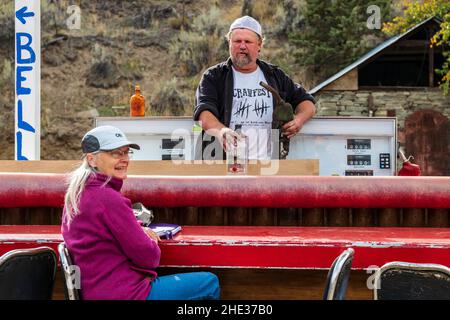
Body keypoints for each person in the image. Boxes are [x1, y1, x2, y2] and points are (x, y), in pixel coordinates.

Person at [61, 125, 220, 300]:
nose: (125, 159)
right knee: (209, 283)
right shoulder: (109, 199)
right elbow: (149, 258)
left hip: (95, 292)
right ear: (92, 159)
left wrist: (136, 231)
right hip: (125, 294)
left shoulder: (76, 195)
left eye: (126, 152)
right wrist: (149, 238)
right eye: (116, 153)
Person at [194, 15, 316, 160]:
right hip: (224, 164)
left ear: (259, 45)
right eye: (237, 41)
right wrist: (222, 131)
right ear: (229, 43)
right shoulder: (213, 76)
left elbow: (307, 103)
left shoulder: (275, 75)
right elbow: (204, 112)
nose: (242, 46)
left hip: (269, 165)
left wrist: (299, 120)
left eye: (248, 41)